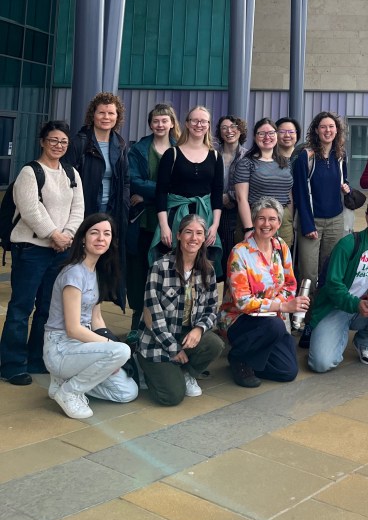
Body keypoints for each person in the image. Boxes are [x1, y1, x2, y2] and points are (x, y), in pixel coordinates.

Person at [0, 121, 84, 385]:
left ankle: (37, 358)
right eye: (53, 140)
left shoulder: (71, 173)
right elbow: (30, 210)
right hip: (31, 250)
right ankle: (12, 364)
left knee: (47, 308)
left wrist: (68, 235)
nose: (58, 146)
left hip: (61, 251)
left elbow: (78, 209)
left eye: (63, 142)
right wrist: (54, 235)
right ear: (42, 141)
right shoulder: (29, 172)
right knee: (21, 307)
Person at [43, 214, 138, 419]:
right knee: (121, 350)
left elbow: (96, 319)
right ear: (83, 239)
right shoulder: (74, 273)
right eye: (94, 233)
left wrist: (108, 352)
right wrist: (110, 349)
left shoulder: (96, 272)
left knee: (127, 392)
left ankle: (63, 383)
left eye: (106, 234)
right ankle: (70, 393)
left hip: (82, 348)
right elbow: (73, 329)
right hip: (61, 348)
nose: (101, 238)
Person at [219, 197, 309, 388]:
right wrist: (281, 306)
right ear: (253, 220)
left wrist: (279, 304)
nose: (266, 224)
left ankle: (249, 360)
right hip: (239, 319)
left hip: (271, 320)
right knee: (275, 327)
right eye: (261, 218)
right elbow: (243, 302)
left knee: (288, 371)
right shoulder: (240, 252)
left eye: (272, 219)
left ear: (279, 222)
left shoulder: (281, 247)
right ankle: (238, 357)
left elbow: (290, 285)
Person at [136, 213, 224, 405]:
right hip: (157, 339)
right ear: (178, 235)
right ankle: (142, 368)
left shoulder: (207, 270)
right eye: (188, 232)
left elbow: (211, 308)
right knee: (171, 397)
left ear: (204, 237)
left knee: (214, 344)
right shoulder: (160, 267)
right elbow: (152, 315)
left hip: (185, 334)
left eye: (199, 233)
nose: (194, 238)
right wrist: (173, 348)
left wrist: (199, 329)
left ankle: (185, 373)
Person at [307, 195, 368, 371]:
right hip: (336, 307)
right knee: (320, 364)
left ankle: (365, 343)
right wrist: (356, 304)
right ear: (366, 217)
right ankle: (324, 333)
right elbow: (333, 285)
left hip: (365, 307)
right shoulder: (348, 244)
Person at [66, 92, 130, 302]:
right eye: (101, 112)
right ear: (92, 114)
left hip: (110, 215)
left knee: (103, 263)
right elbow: (67, 179)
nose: (106, 117)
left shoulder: (120, 145)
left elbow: (125, 180)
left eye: (111, 113)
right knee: (80, 261)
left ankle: (94, 311)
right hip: (84, 212)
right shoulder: (80, 143)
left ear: (117, 116)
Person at [151, 105, 224, 276]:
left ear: (208, 125)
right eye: (195, 120)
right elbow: (161, 191)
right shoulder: (172, 154)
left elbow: (217, 192)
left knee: (202, 266)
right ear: (187, 123)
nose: (199, 125)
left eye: (203, 121)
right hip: (175, 216)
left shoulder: (215, 156)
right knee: (172, 265)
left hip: (205, 218)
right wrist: (164, 226)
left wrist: (215, 225)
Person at [126, 102, 180, 334]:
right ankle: (138, 321)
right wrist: (163, 191)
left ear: (171, 123)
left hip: (171, 220)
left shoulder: (181, 148)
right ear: (150, 124)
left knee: (167, 271)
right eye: (156, 120)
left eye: (164, 120)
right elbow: (133, 180)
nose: (160, 124)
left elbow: (181, 184)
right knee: (139, 271)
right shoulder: (138, 150)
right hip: (143, 222)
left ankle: (167, 322)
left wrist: (149, 195)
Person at [293, 112, 351, 316]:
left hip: (336, 220)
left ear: (337, 130)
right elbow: (300, 192)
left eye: (332, 127)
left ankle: (322, 313)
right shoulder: (305, 156)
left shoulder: (340, 155)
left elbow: (346, 182)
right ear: (316, 130)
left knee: (329, 271)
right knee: (308, 273)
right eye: (323, 127)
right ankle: (304, 316)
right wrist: (308, 225)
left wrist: (347, 188)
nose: (328, 131)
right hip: (312, 222)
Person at [232, 117, 294, 246]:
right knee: (254, 264)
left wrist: (289, 218)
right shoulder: (246, 163)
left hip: (282, 222)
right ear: (255, 137)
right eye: (262, 133)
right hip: (256, 220)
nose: (267, 137)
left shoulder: (286, 163)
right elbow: (241, 198)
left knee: (280, 263)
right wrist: (248, 228)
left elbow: (289, 193)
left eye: (271, 133)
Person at [215, 114, 248, 264]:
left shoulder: (247, 156)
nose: (229, 131)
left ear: (240, 130)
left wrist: (230, 196)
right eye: (224, 128)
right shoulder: (212, 153)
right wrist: (218, 197)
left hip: (237, 209)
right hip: (213, 206)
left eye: (233, 127)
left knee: (233, 250)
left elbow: (252, 184)